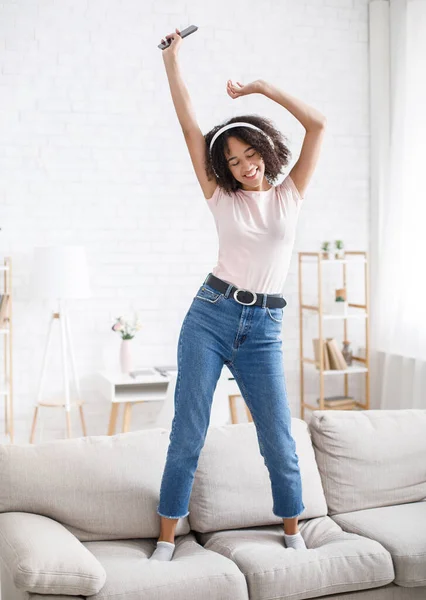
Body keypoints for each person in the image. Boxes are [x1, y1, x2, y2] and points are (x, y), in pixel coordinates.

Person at [150, 28, 326, 562]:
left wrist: (262, 88)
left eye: (251, 154)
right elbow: (188, 129)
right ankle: (165, 539)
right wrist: (171, 61)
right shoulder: (221, 198)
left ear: (265, 153)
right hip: (210, 315)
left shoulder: (291, 194)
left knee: (277, 436)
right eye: (233, 160)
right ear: (223, 169)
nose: (245, 165)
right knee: (188, 430)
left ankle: (292, 532)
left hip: (265, 329)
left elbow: (318, 124)